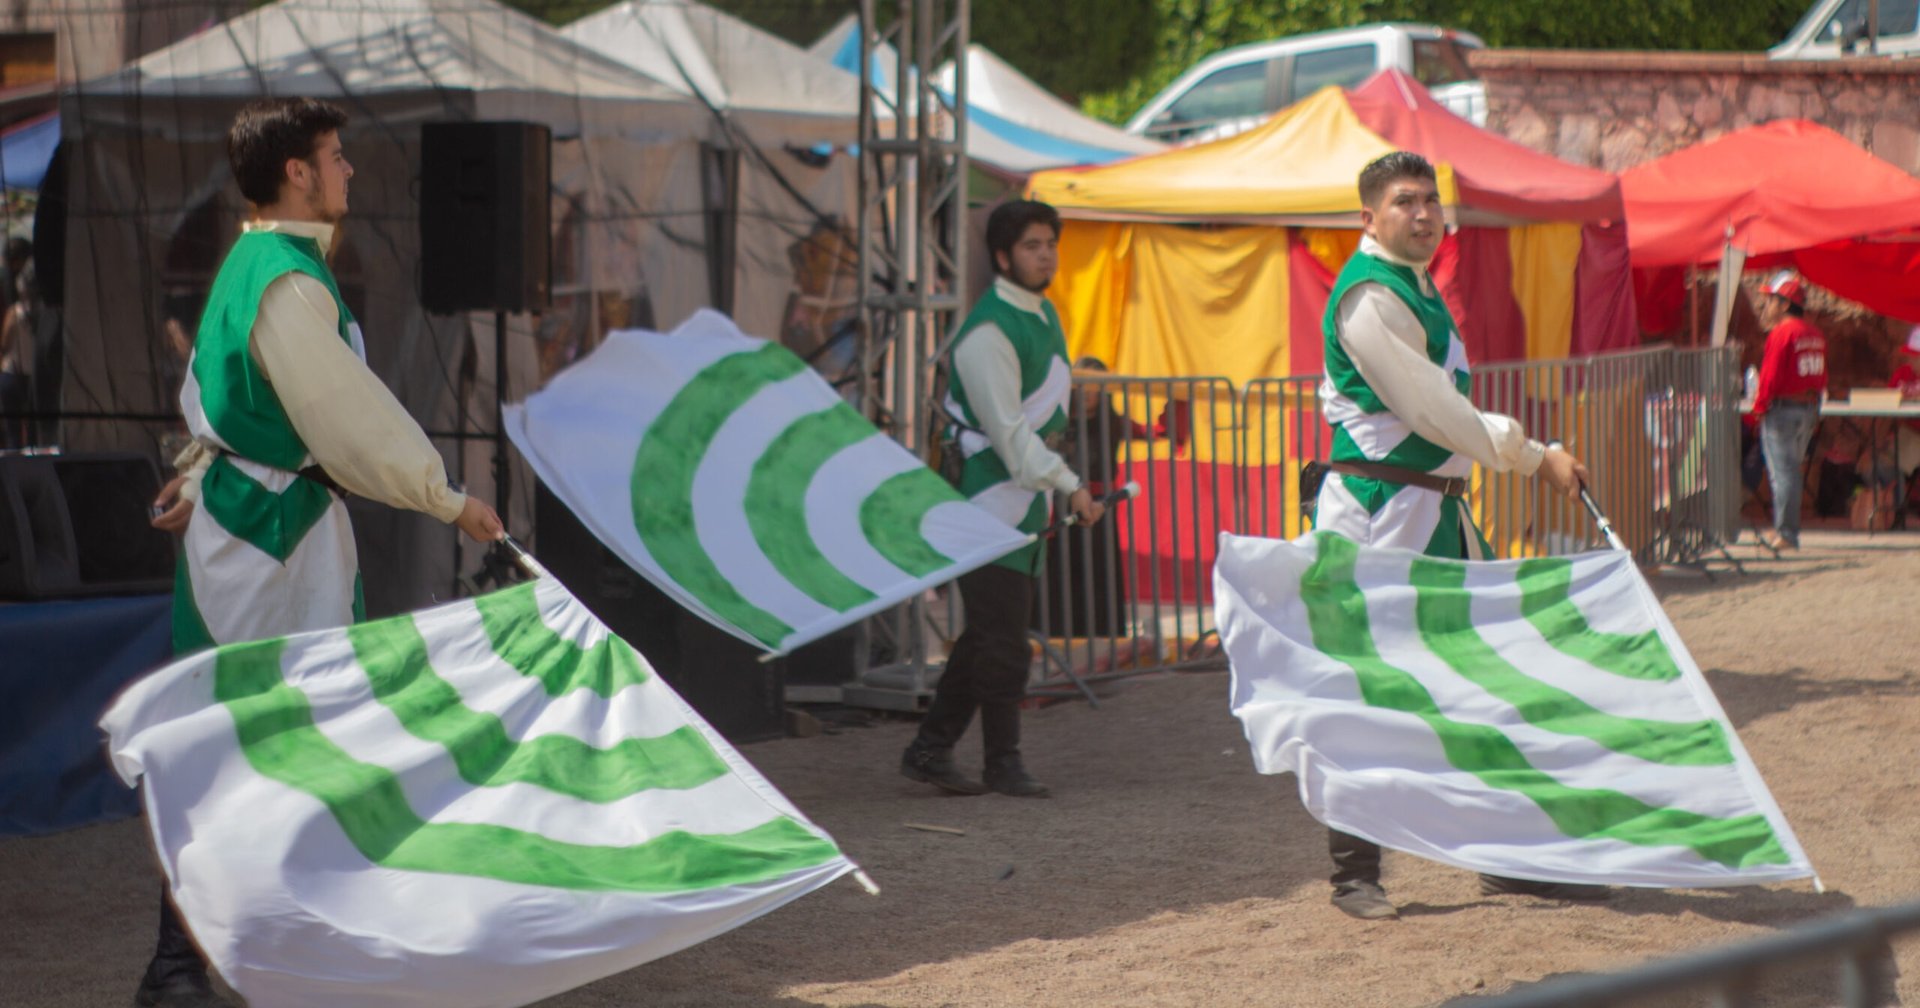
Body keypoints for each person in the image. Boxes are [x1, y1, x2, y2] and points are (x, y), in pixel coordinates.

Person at [137, 97, 504, 1008]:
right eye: (336, 157)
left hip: (258, 522)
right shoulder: (286, 280)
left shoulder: (257, 263)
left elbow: (219, 400)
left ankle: (257, 955)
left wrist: (194, 473)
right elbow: (347, 417)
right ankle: (187, 965)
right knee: (256, 737)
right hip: (270, 534)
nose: (348, 171)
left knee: (267, 735)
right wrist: (448, 499)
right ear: (296, 172)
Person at [1312, 152, 1605, 920]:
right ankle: (1354, 874)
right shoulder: (1369, 298)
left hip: (1435, 511)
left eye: (1429, 200)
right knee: (1371, 693)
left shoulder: (1414, 285)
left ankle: (1505, 858)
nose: (1422, 213)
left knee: (1484, 685)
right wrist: (1536, 456)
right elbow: (1435, 411)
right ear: (1367, 218)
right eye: (1404, 201)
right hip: (1381, 515)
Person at [899, 199, 1104, 799]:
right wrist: (1072, 485)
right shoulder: (988, 332)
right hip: (985, 497)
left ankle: (930, 749)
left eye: (1050, 244)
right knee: (1004, 639)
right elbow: (1012, 439)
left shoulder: (1041, 314)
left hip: (1021, 497)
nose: (1046, 256)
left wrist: (1059, 484)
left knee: (989, 634)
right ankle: (1002, 761)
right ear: (1001, 256)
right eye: (1032, 246)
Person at [1750, 270, 1827, 550]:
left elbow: (1769, 377)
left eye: (1771, 300)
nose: (1766, 305)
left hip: (1782, 411)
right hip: (1807, 410)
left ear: (1784, 304)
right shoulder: (1815, 334)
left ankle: (1786, 533)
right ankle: (1786, 530)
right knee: (1792, 471)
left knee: (1783, 474)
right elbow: (1821, 377)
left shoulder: (1781, 333)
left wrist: (1759, 408)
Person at [0, 262, 31, 448]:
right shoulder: (42, 313)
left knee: (13, 429)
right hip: (31, 375)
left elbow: (4, 343)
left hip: (11, 374)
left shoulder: (14, 312)